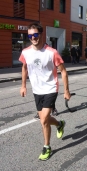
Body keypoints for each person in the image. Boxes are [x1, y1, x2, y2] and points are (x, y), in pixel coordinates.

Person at [19, 23, 71, 161]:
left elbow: (63, 71)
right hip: (37, 90)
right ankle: (60, 124)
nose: (33, 38)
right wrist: (23, 85)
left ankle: (46, 147)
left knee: (43, 120)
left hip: (50, 88)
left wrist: (66, 90)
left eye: (35, 35)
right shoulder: (25, 52)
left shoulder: (51, 52)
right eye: (30, 36)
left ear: (41, 34)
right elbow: (24, 68)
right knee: (45, 120)